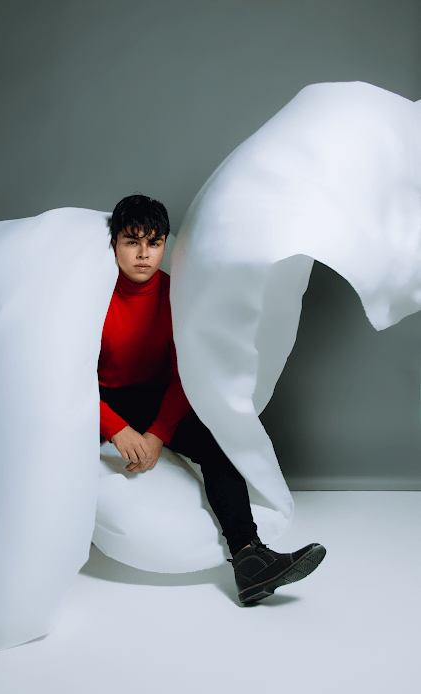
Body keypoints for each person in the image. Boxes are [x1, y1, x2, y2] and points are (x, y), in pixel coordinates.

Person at [99, 193, 326, 604]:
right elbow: (68, 380)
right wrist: (116, 429)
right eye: (132, 242)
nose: (144, 254)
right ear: (114, 243)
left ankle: (249, 559)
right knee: (47, 439)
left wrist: (156, 434)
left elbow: (186, 374)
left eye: (154, 242)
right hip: (99, 399)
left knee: (219, 445)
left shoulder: (176, 296)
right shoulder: (94, 297)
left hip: (155, 397)